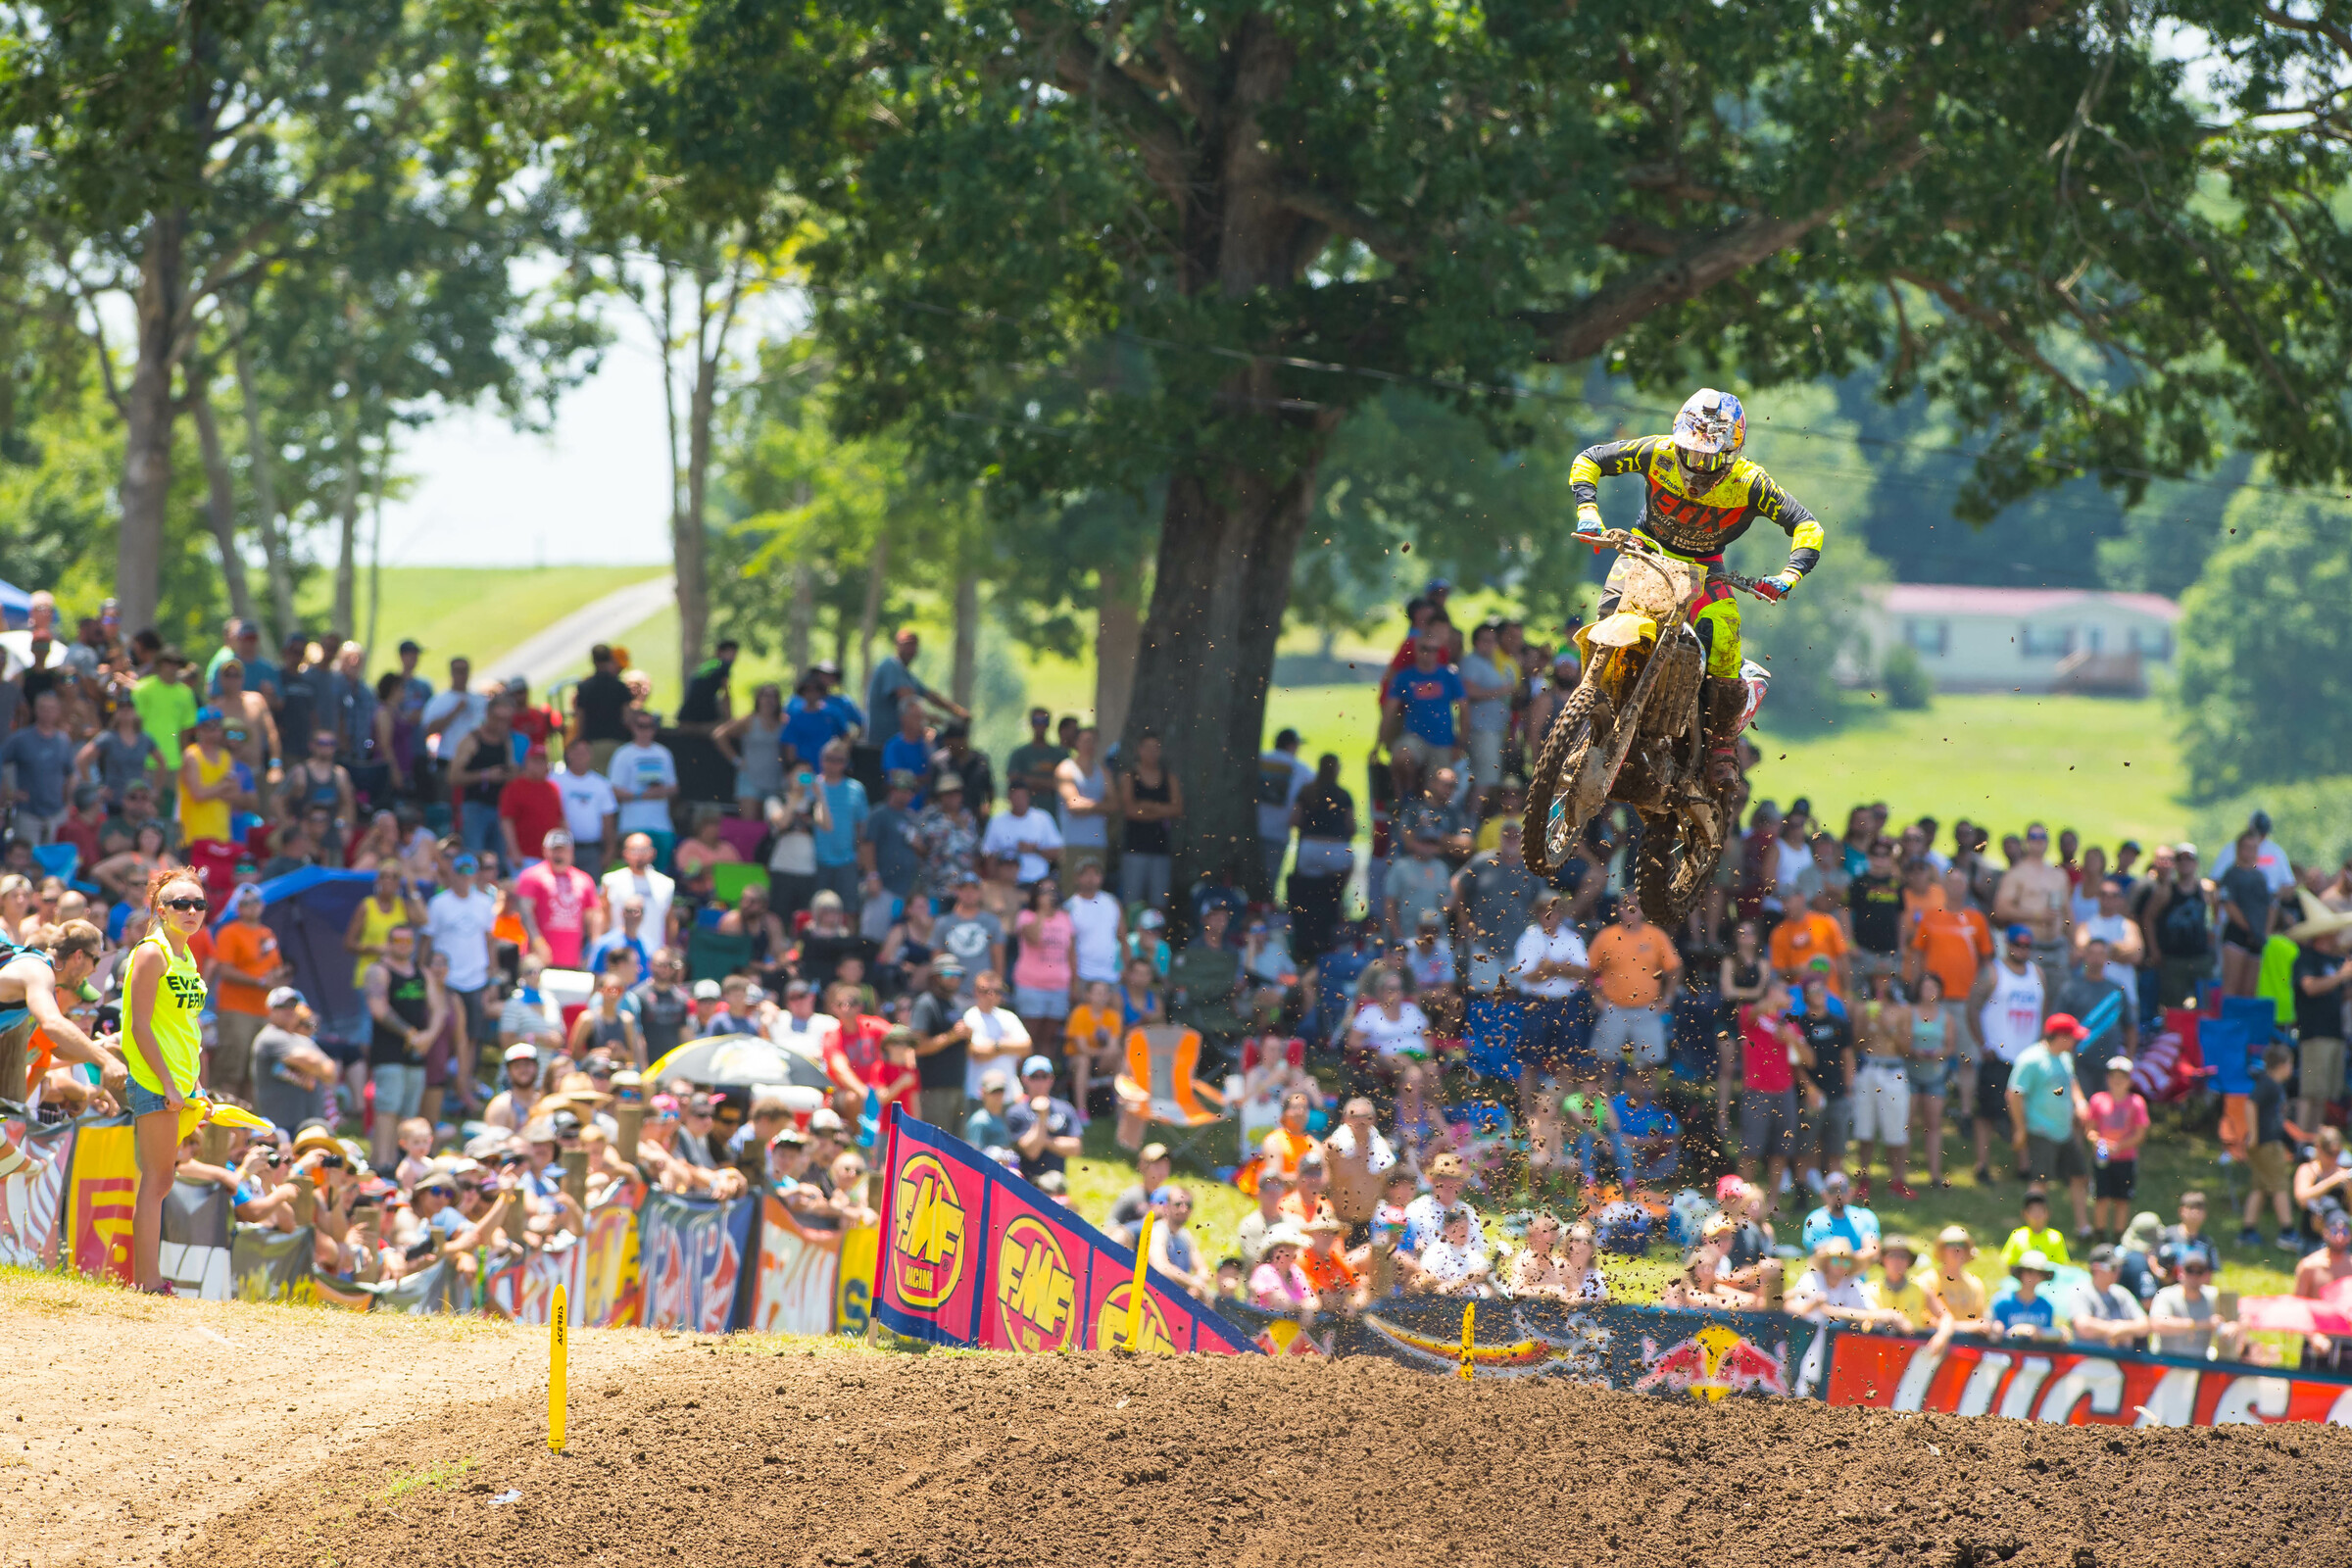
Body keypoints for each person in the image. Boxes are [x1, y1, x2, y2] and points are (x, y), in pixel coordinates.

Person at [1568, 389, 1819, 787]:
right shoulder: (1658, 452)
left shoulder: (1750, 482)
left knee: (1723, 638)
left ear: (1731, 453)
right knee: (1607, 614)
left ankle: (1721, 747)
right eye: (1692, 451)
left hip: (1706, 568)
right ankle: (1595, 701)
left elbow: (1807, 525)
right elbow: (1590, 458)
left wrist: (1787, 576)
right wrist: (1587, 510)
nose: (1697, 463)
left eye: (1709, 457)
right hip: (1645, 550)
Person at [122, 870, 210, 1294]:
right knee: (157, 1179)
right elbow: (139, 1028)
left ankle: (148, 1280)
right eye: (180, 904)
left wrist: (194, 1086)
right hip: (154, 1079)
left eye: (198, 904)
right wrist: (169, 1085)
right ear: (161, 910)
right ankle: (148, 1282)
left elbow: (184, 1027)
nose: (191, 911)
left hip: (177, 1080)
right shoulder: (151, 953)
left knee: (162, 1179)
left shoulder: (186, 954)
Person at [1966, 924, 2050, 1185]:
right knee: (1988, 1114)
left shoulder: (2037, 974)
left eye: (2027, 945)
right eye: (2017, 944)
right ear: (2008, 944)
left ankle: (2024, 1166)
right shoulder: (1993, 973)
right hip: (1998, 1055)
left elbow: (2044, 1009)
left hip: (2027, 1056)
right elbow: (1972, 1007)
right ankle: (1982, 1165)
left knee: (2024, 1112)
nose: (2022, 950)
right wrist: (1983, 1043)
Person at [2005, 1012, 2091, 1237]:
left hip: (2065, 1131)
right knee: (2040, 1181)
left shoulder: (2065, 1057)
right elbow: (2014, 1093)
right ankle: (2034, 1231)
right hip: (2041, 1130)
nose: (2075, 1041)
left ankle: (2083, 1227)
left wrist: (2080, 1102)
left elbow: (2071, 1082)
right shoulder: (2031, 1059)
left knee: (2079, 1176)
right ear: (2061, 1037)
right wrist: (2021, 1129)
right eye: (2072, 1037)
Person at [1585, 896, 1682, 1075]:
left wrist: (1667, 998)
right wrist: (1595, 997)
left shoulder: (1656, 935)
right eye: (1626, 905)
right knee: (1606, 1063)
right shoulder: (1607, 936)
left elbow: (1675, 968)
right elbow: (1588, 969)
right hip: (1613, 1009)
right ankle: (1604, 1100)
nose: (1631, 910)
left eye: (1636, 905)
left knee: (1651, 1064)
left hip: (1647, 1009)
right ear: (1619, 909)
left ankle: (1648, 1103)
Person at [2241, 1043, 2300, 1251]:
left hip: (2268, 1143)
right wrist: (2254, 1135)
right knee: (2280, 1186)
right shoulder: (2268, 1084)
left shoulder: (2274, 1086)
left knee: (2260, 1186)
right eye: (2291, 1063)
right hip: (2266, 1144)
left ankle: (2247, 1231)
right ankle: (2288, 1232)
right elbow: (2250, 1104)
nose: (2292, 1068)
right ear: (2282, 1065)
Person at [2084, 1054, 2149, 1242]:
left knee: (2122, 1198)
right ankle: (2099, 1233)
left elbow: (2140, 1134)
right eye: (2113, 1077)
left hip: (2126, 1158)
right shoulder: (2098, 1100)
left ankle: (2119, 1235)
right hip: (2103, 1156)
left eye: (2122, 1077)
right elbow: (2090, 1129)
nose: (2117, 1081)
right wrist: (2099, 1142)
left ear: (2129, 1080)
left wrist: (2119, 1146)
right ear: (2107, 1078)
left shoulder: (2136, 1103)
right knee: (2101, 1195)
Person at [607, 710, 681, 870]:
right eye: (641, 726)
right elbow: (614, 791)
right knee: (636, 872)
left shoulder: (664, 753)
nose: (646, 730)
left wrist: (661, 792)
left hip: (662, 826)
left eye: (650, 726)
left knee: (661, 874)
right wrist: (641, 795)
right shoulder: (623, 754)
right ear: (633, 727)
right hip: (633, 825)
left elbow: (674, 787)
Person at [1117, 733, 1182, 911]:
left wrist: (1147, 806)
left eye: (1156, 748)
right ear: (1139, 750)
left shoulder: (1169, 778)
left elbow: (1177, 809)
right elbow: (1130, 811)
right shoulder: (1129, 777)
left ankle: (1157, 938)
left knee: (1159, 902)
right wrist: (1161, 811)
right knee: (1132, 902)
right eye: (1147, 748)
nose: (1152, 752)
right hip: (1134, 849)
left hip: (1161, 850)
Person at [2146, 1253, 2238, 1359]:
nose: (2194, 1276)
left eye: (2199, 1271)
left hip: (2200, 1366)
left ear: (2206, 1275)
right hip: (2166, 1364)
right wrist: (2198, 1325)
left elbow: (2242, 1319)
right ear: (2180, 1272)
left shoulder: (2213, 1296)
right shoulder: (2166, 1295)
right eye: (2190, 1270)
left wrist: (2233, 1327)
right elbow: (2156, 1324)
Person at [2293, 1212, 2352, 1372]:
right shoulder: (2310, 1266)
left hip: (2347, 1342)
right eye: (2335, 1231)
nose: (2340, 1237)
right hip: (2318, 1339)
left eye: (2345, 1232)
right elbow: (2299, 1307)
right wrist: (2313, 1337)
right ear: (2325, 1232)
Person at [2070, 1244, 2151, 1349]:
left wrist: (2123, 1329)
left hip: (2122, 1361)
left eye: (2119, 1267)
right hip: (2090, 1360)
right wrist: (2117, 1330)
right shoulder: (2082, 1292)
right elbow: (2083, 1326)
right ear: (2096, 1268)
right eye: (2113, 1268)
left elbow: (2145, 1325)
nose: (2118, 1271)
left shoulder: (2122, 1293)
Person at [1786, 1236, 1878, 1326]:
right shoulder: (1811, 1279)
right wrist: (1813, 1304)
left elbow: (1870, 1314)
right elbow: (1788, 1306)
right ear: (1826, 1262)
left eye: (1846, 1262)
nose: (1840, 1266)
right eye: (1835, 1260)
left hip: (1840, 1337)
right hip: (1808, 1333)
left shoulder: (1854, 1283)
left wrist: (1830, 1311)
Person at [1800, 1170, 1882, 1265]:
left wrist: (1846, 1263)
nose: (1837, 1195)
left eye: (1842, 1190)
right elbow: (1820, 1255)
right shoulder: (1814, 1220)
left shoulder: (1865, 1216)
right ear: (1824, 1194)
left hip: (1857, 1279)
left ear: (1850, 1193)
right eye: (1832, 1190)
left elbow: (1873, 1251)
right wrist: (1849, 1261)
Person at [1922, 1225, 1991, 1334]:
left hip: (1968, 1347)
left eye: (1961, 1245)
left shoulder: (1975, 1283)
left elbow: (1981, 1322)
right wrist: (1968, 1327)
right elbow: (1927, 1322)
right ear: (1942, 1249)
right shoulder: (1929, 1279)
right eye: (1950, 1244)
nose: (1956, 1249)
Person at [1989, 1250, 2061, 1340]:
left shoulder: (2046, 1306)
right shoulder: (2002, 1302)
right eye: (2029, 1271)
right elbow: (1994, 1336)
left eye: (2039, 1273)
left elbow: (2047, 1337)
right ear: (2020, 1273)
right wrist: (2019, 1330)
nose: (2034, 1277)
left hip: (2035, 1352)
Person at [2000, 1187, 2072, 1271]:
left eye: (2040, 1210)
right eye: (2032, 1210)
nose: (2036, 1215)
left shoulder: (2055, 1237)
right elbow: (2010, 1264)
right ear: (2024, 1214)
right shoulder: (2017, 1236)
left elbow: (2061, 1266)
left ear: (2048, 1213)